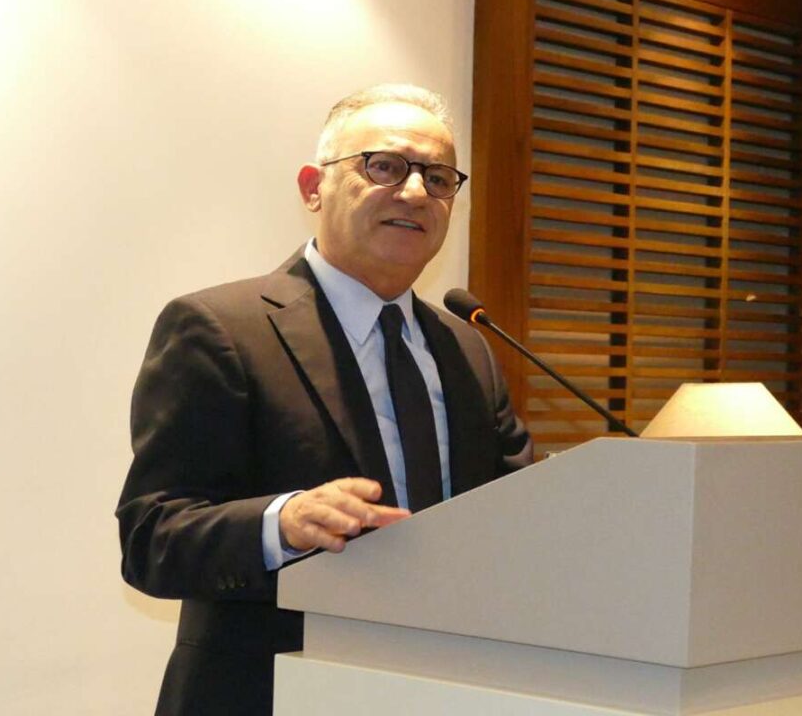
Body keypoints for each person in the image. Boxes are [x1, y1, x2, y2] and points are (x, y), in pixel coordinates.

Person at [116, 84, 532, 716]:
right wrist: (280, 523)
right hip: (269, 694)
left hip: (445, 690)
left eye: (438, 178)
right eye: (384, 166)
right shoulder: (221, 329)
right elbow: (151, 538)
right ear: (314, 188)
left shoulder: (466, 347)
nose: (415, 192)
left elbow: (519, 515)